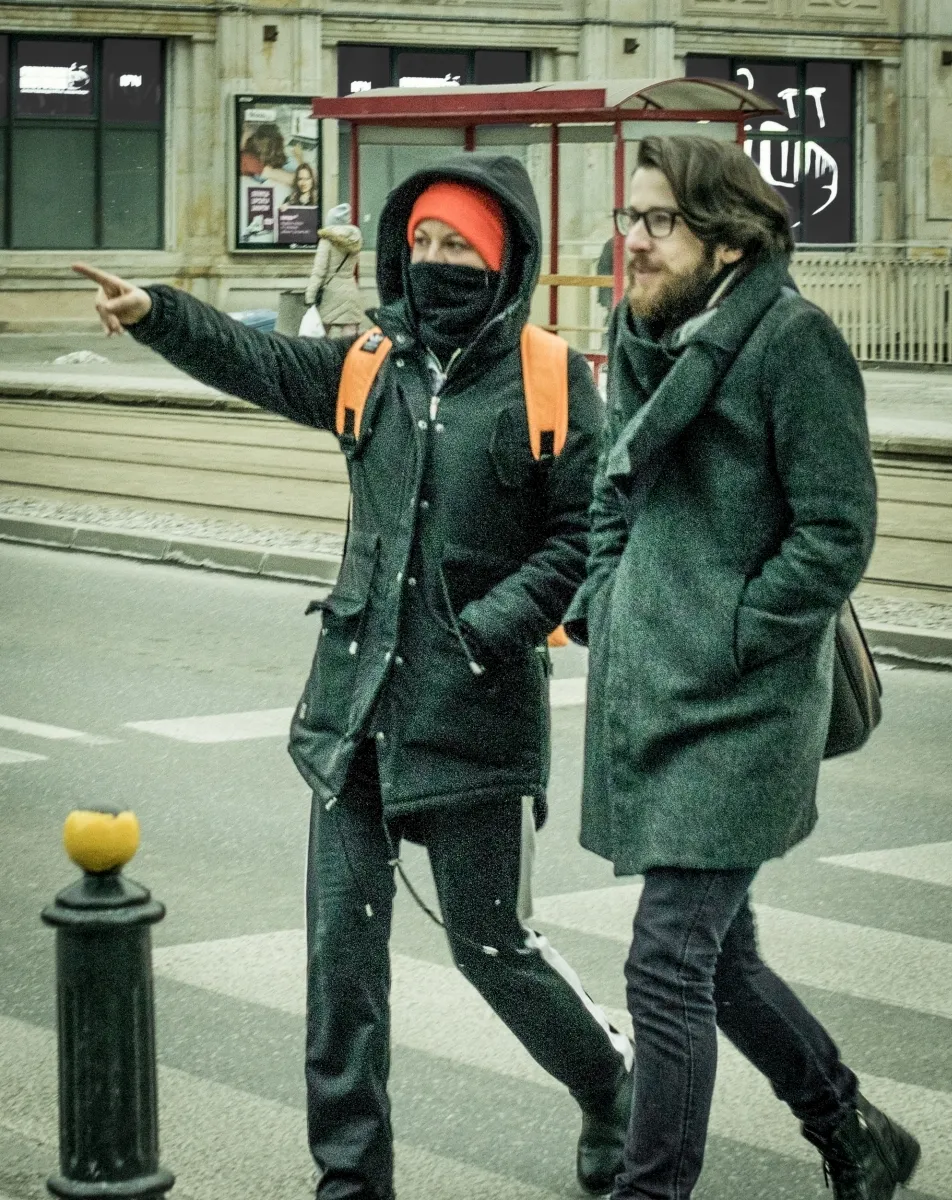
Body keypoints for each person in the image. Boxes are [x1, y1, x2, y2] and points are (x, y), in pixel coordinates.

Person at [73, 153, 633, 1200]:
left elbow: (586, 534)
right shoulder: (371, 360)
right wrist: (159, 313)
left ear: (503, 254)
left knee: (493, 948)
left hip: (474, 718)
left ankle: (609, 1085)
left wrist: (491, 626)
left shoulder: (557, 378)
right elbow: (261, 361)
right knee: (342, 966)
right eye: (421, 241)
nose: (434, 261)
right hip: (354, 712)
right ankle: (350, 1181)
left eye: (457, 244)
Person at [565, 135, 921, 1200]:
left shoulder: (792, 342)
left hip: (742, 705)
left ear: (726, 243)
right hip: (656, 685)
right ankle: (853, 1129)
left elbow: (835, 530)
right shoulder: (641, 329)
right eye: (629, 218)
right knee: (718, 961)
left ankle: (652, 1190)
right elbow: (611, 484)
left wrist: (731, 630)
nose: (632, 240)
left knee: (665, 964)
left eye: (657, 222)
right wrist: (609, 595)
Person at [304, 202, 366, 338]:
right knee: (349, 335)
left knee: (320, 334)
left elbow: (319, 271)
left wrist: (310, 295)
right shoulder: (355, 240)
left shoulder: (327, 241)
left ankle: (325, 359)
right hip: (350, 290)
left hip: (330, 293)